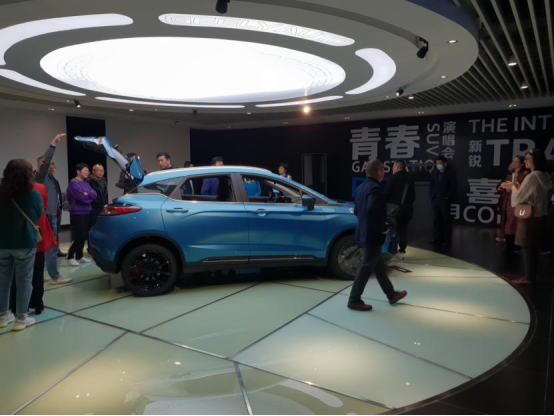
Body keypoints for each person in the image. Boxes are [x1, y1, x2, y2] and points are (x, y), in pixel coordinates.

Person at [348, 159, 408, 312]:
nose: (384, 172)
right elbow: (372, 210)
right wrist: (383, 229)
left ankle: (391, 294)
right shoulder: (376, 189)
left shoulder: (361, 188)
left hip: (363, 232)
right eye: (383, 170)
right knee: (366, 268)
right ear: (379, 171)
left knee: (379, 267)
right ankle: (354, 299)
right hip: (373, 235)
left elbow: (357, 211)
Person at [0, 160, 43, 331]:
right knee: (24, 281)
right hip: (25, 242)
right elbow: (39, 214)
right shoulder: (33, 194)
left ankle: (3, 315)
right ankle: (21, 318)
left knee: (3, 281)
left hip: (2, 242)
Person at [504, 150, 553, 285]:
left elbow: (519, 197)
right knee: (533, 246)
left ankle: (528, 277)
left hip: (529, 216)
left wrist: (513, 187)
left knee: (527, 247)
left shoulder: (532, 176)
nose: (525, 161)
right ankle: (531, 276)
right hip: (541, 215)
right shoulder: (544, 175)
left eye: (527, 159)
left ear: (534, 160)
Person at [10, 182, 59, 315]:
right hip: (36, 233)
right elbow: (41, 210)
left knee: (15, 274)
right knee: (37, 271)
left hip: (13, 236)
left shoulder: (6, 190)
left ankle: (16, 306)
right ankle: (37, 303)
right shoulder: (39, 188)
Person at [36, 134, 66, 262]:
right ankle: (49, 263)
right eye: (46, 164)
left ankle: (52, 260)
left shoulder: (51, 178)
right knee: (48, 240)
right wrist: (53, 144)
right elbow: (46, 161)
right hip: (46, 214)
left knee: (53, 238)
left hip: (54, 213)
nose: (49, 165)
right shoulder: (40, 177)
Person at [66, 164, 97, 267]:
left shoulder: (86, 184)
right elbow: (81, 198)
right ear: (78, 172)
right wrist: (87, 195)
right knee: (79, 234)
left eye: (88, 171)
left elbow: (94, 194)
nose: (87, 172)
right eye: (85, 170)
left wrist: (87, 194)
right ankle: (70, 256)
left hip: (87, 211)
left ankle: (79, 256)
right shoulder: (73, 183)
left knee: (84, 234)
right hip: (77, 212)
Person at [385, 161, 416, 260]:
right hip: (406, 210)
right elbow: (413, 196)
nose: (392, 169)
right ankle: (401, 251)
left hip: (393, 210)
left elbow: (386, 194)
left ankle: (390, 250)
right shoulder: (410, 179)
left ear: (397, 167)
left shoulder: (392, 178)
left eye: (393, 167)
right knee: (403, 230)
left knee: (391, 230)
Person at [499, 156, 529, 253]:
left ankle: (517, 245)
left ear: (521, 164)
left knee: (517, 223)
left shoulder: (525, 174)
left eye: (516, 161)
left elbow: (522, 188)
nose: (513, 163)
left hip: (519, 201)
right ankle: (509, 245)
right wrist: (503, 187)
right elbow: (505, 184)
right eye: (513, 161)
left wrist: (513, 186)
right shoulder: (511, 173)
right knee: (509, 221)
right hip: (509, 200)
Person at [429, 156, 457, 248]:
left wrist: (446, 197)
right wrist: (432, 196)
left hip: (444, 200)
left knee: (446, 220)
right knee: (436, 220)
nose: (438, 165)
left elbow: (453, 188)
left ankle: (447, 240)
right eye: (437, 163)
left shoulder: (450, 173)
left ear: (445, 164)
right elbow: (431, 185)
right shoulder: (434, 172)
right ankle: (437, 238)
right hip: (435, 199)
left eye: (440, 163)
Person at [497, 163, 515, 243]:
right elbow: (500, 186)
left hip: (513, 200)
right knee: (504, 217)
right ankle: (504, 235)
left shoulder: (517, 176)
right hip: (505, 199)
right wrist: (500, 188)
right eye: (510, 164)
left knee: (510, 219)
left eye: (514, 164)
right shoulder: (507, 175)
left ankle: (509, 237)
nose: (511, 166)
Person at [88, 164, 109, 229]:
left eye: (102, 170)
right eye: (98, 170)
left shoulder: (104, 180)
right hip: (93, 209)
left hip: (103, 208)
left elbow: (105, 194)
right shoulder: (89, 181)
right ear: (93, 171)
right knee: (94, 227)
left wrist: (106, 205)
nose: (100, 172)